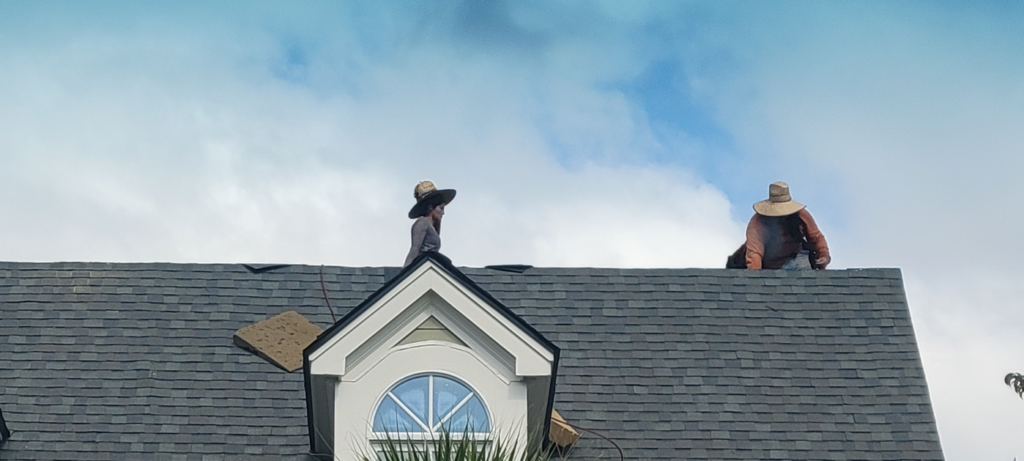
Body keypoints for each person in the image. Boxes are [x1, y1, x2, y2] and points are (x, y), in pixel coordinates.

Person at [733, 181, 830, 270]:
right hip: (769, 266)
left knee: (804, 274)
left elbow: (816, 237)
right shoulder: (758, 223)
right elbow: (754, 254)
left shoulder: (801, 214)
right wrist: (757, 277)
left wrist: (823, 255)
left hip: (797, 258)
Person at [403, 181, 456, 267]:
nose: (443, 213)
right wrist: (406, 270)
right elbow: (415, 249)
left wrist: (438, 223)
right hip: (423, 264)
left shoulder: (430, 226)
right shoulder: (422, 223)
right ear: (431, 207)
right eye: (441, 208)